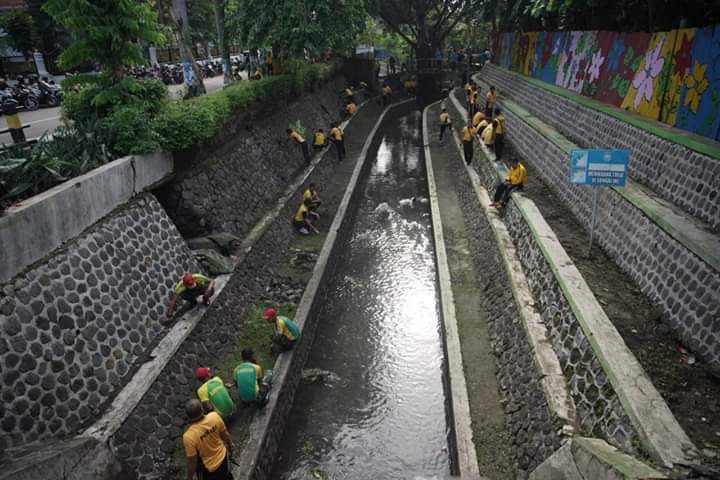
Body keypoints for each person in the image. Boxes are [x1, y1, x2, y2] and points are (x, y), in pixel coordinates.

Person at [182, 399, 235, 480]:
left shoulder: (189, 437)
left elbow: (192, 461)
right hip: (223, 458)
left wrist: (189, 477)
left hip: (209, 470)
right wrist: (230, 446)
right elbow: (225, 435)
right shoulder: (214, 416)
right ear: (202, 409)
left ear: (188, 417)